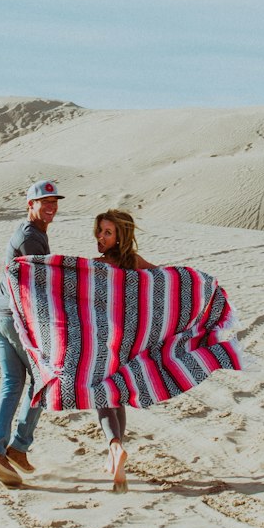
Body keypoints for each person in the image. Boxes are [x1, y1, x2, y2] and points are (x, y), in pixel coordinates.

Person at [0, 179, 64, 488]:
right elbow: (36, 285)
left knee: (13, 383)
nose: (51, 207)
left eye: (54, 201)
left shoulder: (32, 233)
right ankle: (17, 445)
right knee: (43, 380)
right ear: (30, 205)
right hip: (14, 318)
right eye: (45, 202)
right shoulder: (31, 237)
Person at [92, 208, 154, 492]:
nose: (100, 237)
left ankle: (114, 447)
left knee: (104, 396)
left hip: (102, 339)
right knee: (117, 395)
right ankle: (115, 456)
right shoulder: (136, 263)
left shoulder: (96, 265)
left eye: (108, 232)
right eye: (100, 231)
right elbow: (165, 279)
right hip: (129, 340)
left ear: (120, 237)